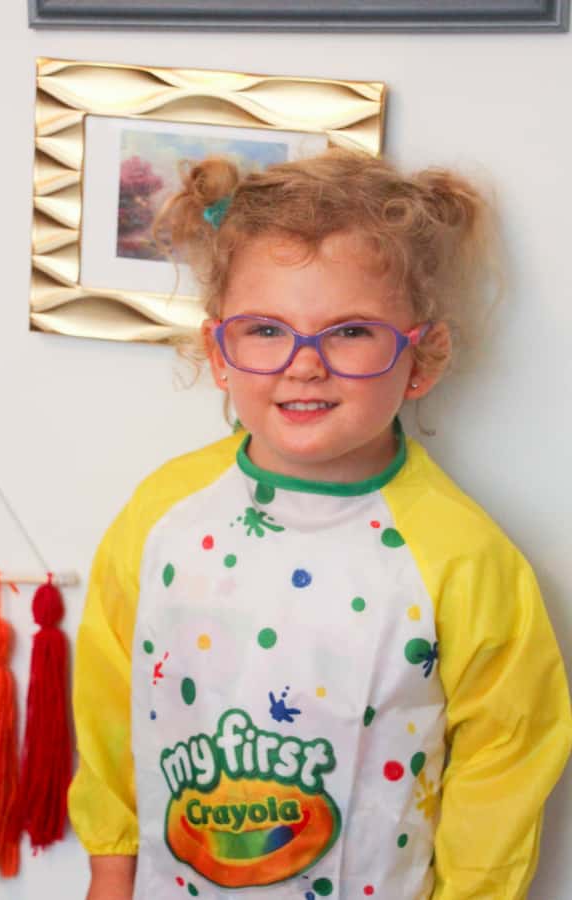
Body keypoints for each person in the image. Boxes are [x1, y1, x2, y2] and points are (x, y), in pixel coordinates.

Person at [67, 149, 572, 900]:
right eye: (267, 329)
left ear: (422, 359)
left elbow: (506, 760)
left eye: (349, 332)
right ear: (219, 352)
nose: (304, 364)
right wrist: (110, 868)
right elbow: (110, 696)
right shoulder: (161, 514)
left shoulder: (464, 557)